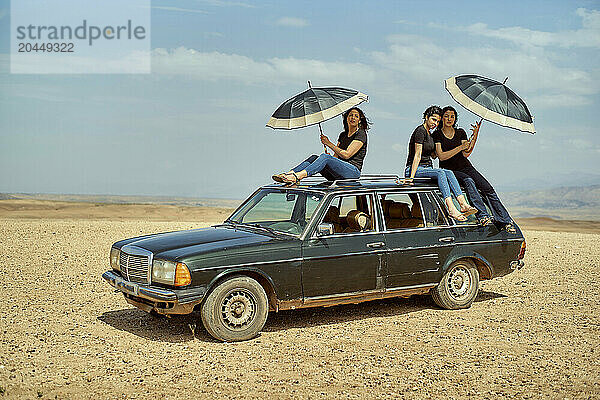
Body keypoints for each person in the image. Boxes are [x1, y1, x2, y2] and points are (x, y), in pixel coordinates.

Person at [433, 106, 517, 233]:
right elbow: (441, 156)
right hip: (449, 170)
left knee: (487, 188)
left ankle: (505, 220)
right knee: (469, 181)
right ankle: (483, 216)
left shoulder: (460, 132)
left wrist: (475, 134)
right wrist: (460, 147)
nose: (449, 119)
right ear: (442, 118)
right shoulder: (437, 134)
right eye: (446, 116)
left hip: (466, 166)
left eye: (452, 116)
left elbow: (466, 153)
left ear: (455, 119)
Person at [404, 105, 477, 222]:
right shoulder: (420, 131)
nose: (435, 123)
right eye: (433, 119)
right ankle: (451, 208)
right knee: (441, 172)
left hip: (426, 168)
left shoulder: (430, 134)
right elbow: (417, 155)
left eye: (438, 121)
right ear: (426, 117)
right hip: (415, 169)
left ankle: (463, 204)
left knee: (448, 172)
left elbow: (432, 155)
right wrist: (411, 178)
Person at [272, 107, 370, 184]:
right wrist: (328, 159)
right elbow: (336, 157)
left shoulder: (361, 134)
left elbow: (347, 155)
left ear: (359, 120)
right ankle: (290, 173)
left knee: (325, 158)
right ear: (346, 118)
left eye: (356, 116)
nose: (353, 117)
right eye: (350, 115)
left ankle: (298, 176)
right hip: (339, 173)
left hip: (352, 173)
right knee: (315, 157)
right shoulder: (343, 135)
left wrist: (328, 144)